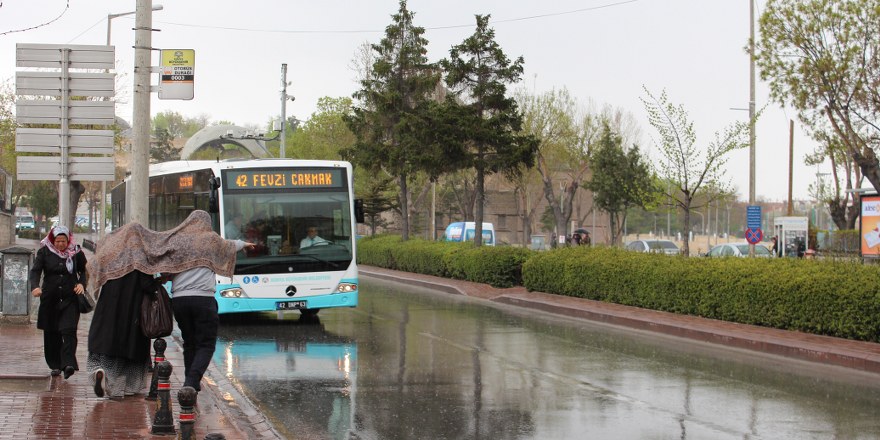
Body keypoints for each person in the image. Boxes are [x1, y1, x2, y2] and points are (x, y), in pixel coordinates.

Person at [86, 210, 253, 397]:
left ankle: (102, 372)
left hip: (156, 304)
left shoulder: (113, 255)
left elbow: (165, 258)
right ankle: (188, 382)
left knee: (189, 343)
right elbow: (227, 245)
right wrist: (244, 244)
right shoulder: (208, 240)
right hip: (184, 303)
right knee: (204, 344)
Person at [85, 270, 157, 399]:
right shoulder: (139, 257)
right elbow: (146, 284)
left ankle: (100, 371)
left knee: (106, 344)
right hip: (132, 309)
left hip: (107, 306)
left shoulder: (112, 254)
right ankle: (123, 388)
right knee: (129, 346)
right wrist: (158, 282)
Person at [29, 226, 88, 379]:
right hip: (50, 298)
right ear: (52, 240)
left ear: (68, 240)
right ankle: (55, 364)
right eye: (58, 241)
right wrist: (35, 286)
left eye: (63, 241)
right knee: (51, 332)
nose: (61, 244)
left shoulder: (76, 252)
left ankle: (68, 364)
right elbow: (36, 271)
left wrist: (82, 283)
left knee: (69, 330)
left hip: (70, 298)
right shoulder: (44, 252)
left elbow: (84, 271)